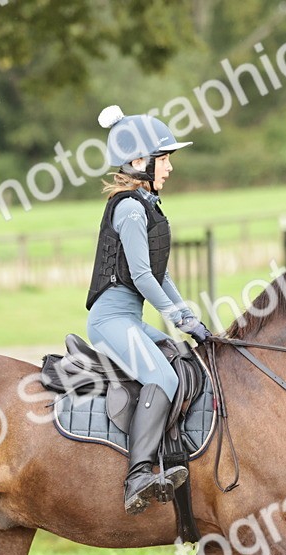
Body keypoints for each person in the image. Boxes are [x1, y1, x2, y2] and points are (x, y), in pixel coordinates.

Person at [84, 105, 212, 515]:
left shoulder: (146, 206)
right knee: (162, 376)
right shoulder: (130, 209)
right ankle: (138, 475)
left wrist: (188, 316)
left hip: (130, 319)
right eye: (165, 158)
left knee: (182, 359)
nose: (170, 168)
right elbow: (141, 278)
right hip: (110, 321)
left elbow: (162, 274)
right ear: (139, 162)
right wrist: (179, 318)